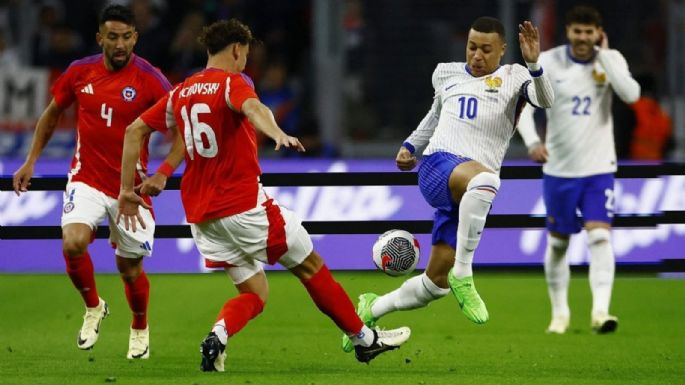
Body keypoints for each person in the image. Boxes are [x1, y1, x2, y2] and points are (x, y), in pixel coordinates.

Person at [116, 19, 410, 372]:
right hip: (243, 207)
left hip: (201, 219)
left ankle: (218, 336)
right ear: (237, 50)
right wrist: (277, 132)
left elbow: (135, 130)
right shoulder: (232, 82)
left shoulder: (181, 91)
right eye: (245, 54)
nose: (245, 61)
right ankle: (364, 340)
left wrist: (126, 189)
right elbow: (255, 109)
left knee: (255, 293)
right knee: (311, 267)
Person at [341, 16, 555, 352]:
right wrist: (411, 146)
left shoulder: (515, 77)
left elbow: (546, 101)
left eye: (486, 49)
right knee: (487, 181)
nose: (477, 55)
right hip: (439, 166)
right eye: (472, 47)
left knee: (435, 284)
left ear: (502, 50)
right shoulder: (446, 73)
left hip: (466, 191)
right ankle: (465, 273)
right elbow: (435, 116)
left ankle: (371, 307)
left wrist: (534, 63)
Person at [12, 4, 172, 358]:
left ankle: (139, 327)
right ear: (100, 37)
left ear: (135, 38)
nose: (119, 44)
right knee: (72, 243)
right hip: (86, 177)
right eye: (112, 37)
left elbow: (182, 126)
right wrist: (31, 160)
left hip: (131, 187)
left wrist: (164, 172)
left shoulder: (151, 79)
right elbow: (53, 113)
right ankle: (94, 306)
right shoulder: (80, 71)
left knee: (129, 270)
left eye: (126, 37)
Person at [516, 5, 640, 334]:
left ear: (598, 33)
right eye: (577, 31)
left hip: (599, 167)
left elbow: (631, 94)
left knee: (599, 237)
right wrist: (531, 143)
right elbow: (524, 109)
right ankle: (560, 314)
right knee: (558, 244)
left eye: (589, 32)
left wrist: (609, 57)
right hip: (559, 169)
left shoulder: (610, 60)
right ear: (568, 32)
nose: (583, 38)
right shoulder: (550, 62)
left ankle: (601, 312)